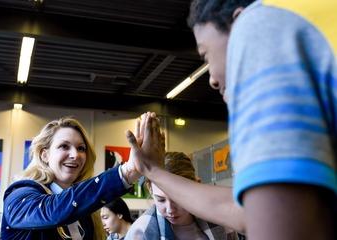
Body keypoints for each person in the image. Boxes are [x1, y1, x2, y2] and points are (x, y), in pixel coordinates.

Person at [127, 1, 337, 239]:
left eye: (206, 56)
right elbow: (251, 211)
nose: (212, 80)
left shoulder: (257, 27)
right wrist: (152, 170)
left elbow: (275, 223)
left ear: (238, 21)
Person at [1, 116, 141, 240]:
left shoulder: (86, 213)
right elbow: (53, 210)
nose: (75, 155)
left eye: (81, 148)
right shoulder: (19, 194)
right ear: (45, 155)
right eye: (64, 146)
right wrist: (126, 171)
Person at [125, 152, 239, 240]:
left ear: (196, 186)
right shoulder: (141, 232)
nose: (170, 210)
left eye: (177, 199)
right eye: (161, 200)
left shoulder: (222, 222)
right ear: (150, 189)